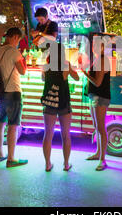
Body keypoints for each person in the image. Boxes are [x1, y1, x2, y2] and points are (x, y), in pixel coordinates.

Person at [0, 27, 28, 168]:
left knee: (0, 122)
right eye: (18, 39)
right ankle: (11, 158)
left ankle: (0, 154)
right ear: (14, 37)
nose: (18, 42)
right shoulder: (14, 52)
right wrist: (23, 59)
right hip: (13, 92)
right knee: (13, 125)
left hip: (1, 92)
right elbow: (22, 71)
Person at [41, 42, 79, 172]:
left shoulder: (46, 65)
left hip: (49, 102)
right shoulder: (66, 64)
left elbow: (43, 79)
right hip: (63, 102)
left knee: (48, 134)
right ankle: (66, 164)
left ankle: (47, 164)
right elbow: (77, 77)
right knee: (65, 134)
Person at [81, 43, 111, 171]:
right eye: (94, 46)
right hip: (94, 96)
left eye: (98, 46)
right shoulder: (98, 59)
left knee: (101, 127)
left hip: (100, 97)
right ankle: (98, 153)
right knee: (96, 126)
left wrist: (85, 73)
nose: (95, 48)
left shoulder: (103, 60)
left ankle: (103, 160)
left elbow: (98, 82)